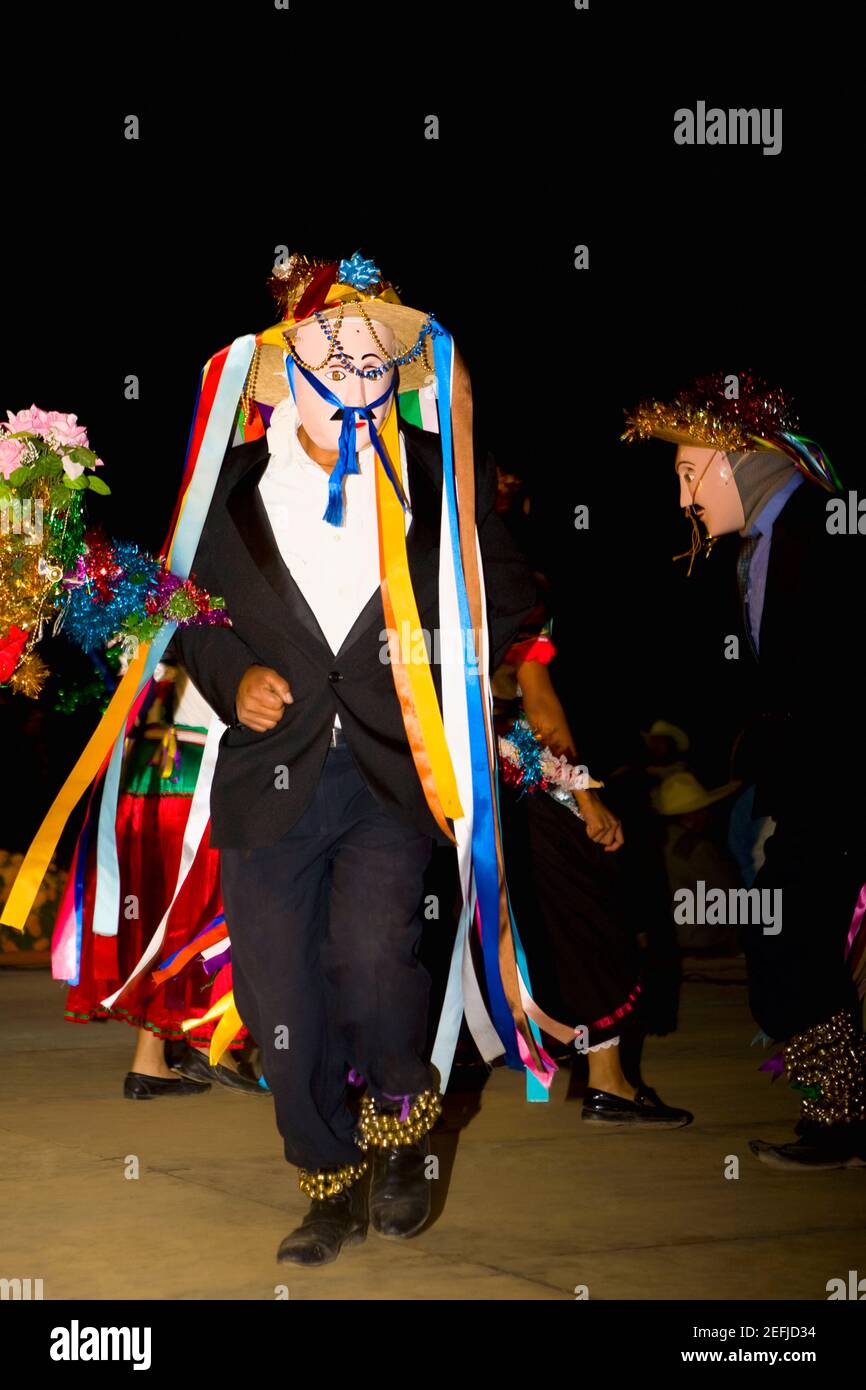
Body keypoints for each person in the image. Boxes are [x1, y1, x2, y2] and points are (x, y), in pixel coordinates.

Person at [170, 251, 557, 1264]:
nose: (347, 369)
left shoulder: (430, 475)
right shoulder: (234, 485)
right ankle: (325, 1179)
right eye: (326, 351)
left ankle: (399, 1126)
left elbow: (506, 596)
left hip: (392, 772)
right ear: (289, 362)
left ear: (389, 367)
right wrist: (232, 674)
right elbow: (187, 616)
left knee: (375, 956)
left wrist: (482, 672)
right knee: (276, 994)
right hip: (270, 778)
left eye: (366, 354)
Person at [624, 370, 866, 1169]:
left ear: (733, 465)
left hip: (834, 781)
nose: (683, 500)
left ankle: (842, 1118)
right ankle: (841, 1117)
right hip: (806, 781)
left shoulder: (824, 527)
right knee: (787, 940)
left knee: (790, 940)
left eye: (688, 475)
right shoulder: (763, 544)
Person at [59, 664, 263, 1097]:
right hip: (197, 780)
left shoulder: (142, 608)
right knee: (206, 909)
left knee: (158, 915)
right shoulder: (209, 607)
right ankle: (208, 1040)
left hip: (145, 775)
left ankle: (149, 1061)